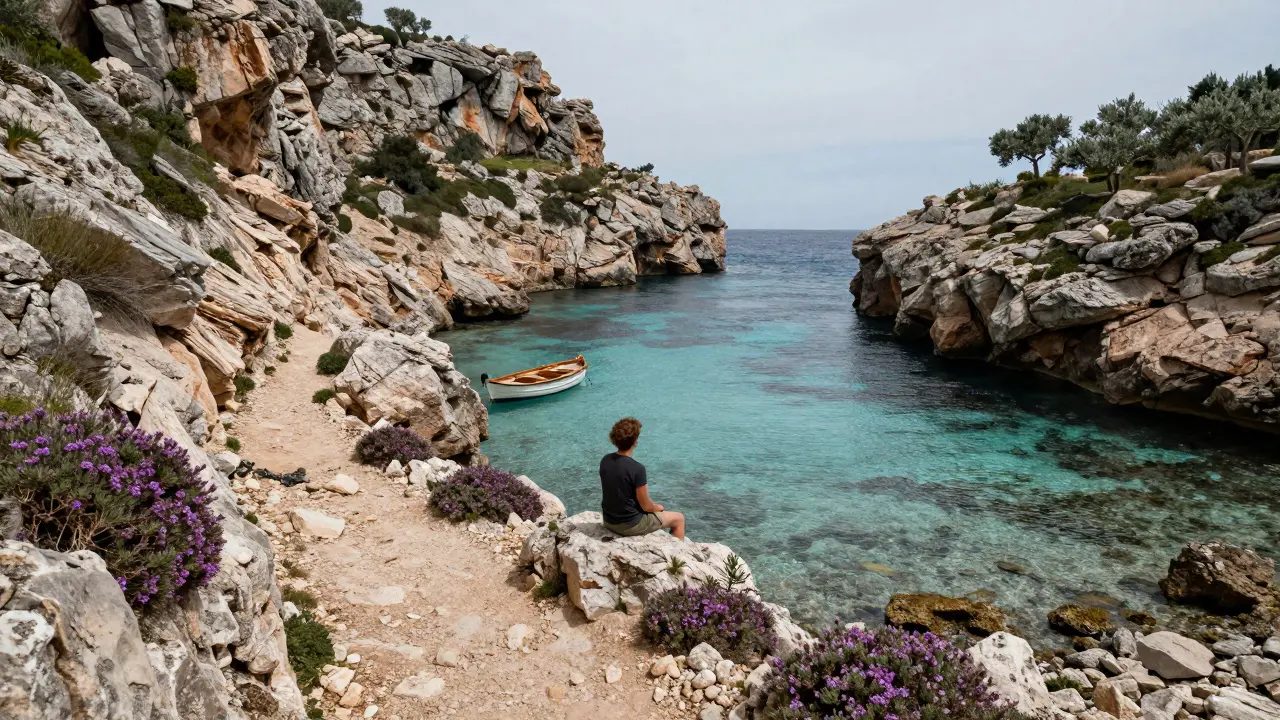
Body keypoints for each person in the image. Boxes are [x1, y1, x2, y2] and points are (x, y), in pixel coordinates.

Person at [599, 417, 686, 539]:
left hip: (608, 521)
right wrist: (658, 507)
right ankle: (677, 554)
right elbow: (646, 506)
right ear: (635, 442)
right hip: (630, 525)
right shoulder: (638, 469)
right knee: (679, 518)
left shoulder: (605, 460)